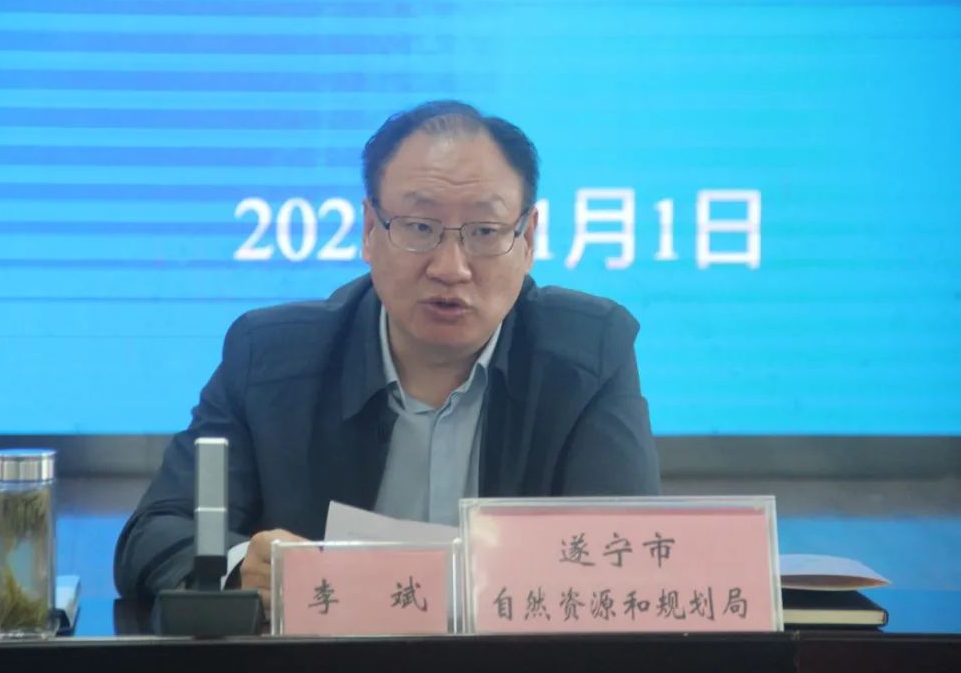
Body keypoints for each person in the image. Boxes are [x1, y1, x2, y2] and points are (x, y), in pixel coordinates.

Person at [114, 100, 660, 606]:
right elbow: (157, 533)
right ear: (370, 230)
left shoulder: (590, 354)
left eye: (484, 231)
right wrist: (240, 569)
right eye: (420, 227)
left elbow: (629, 558)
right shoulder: (270, 357)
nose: (451, 267)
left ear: (529, 238)